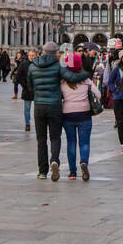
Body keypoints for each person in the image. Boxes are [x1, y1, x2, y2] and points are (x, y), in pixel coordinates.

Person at [28, 40, 83, 180]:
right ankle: (54, 160)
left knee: (41, 139)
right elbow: (68, 79)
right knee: (55, 137)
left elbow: (29, 86)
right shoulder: (59, 66)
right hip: (54, 105)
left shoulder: (33, 65)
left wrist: (38, 92)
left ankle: (42, 171)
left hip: (39, 105)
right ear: (55, 54)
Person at [61, 53, 95, 181]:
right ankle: (84, 162)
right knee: (84, 142)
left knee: (71, 143)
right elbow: (97, 94)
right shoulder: (86, 79)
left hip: (68, 113)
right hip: (84, 113)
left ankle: (72, 172)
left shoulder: (63, 81)